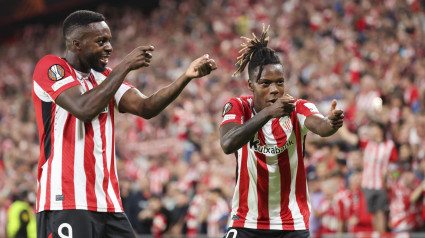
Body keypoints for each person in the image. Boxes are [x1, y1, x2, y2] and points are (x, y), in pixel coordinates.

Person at [32, 10, 216, 238]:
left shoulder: (105, 77)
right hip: (66, 199)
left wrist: (186, 77)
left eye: (109, 40)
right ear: (76, 44)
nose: (109, 47)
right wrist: (126, 64)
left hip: (108, 202)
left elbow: (146, 107)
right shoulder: (51, 67)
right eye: (101, 41)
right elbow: (84, 109)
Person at [219, 25, 344, 238]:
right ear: (251, 85)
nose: (275, 89)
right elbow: (228, 143)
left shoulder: (297, 107)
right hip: (247, 221)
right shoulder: (238, 106)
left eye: (279, 82)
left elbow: (320, 126)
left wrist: (331, 123)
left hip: (292, 224)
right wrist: (268, 112)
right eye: (265, 83)